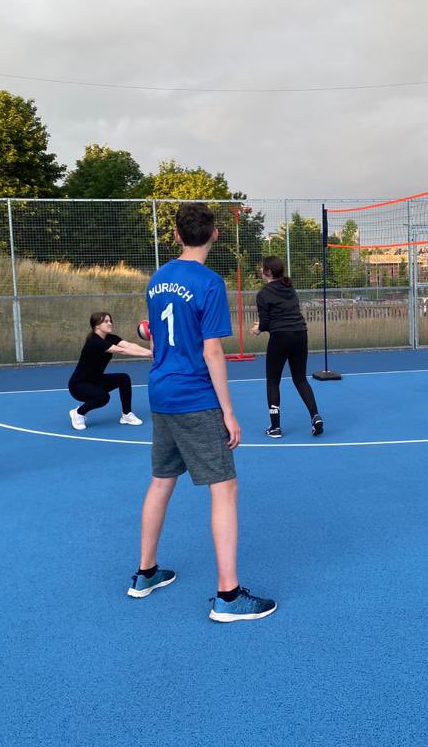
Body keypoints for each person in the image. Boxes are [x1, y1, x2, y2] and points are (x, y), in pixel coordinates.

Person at [128, 202, 276, 623]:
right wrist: (228, 412)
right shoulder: (210, 283)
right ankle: (228, 597)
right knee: (223, 488)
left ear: (176, 236)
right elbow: (212, 350)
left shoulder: (157, 280)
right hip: (195, 396)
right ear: (214, 234)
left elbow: (159, 335)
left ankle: (146, 572)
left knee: (161, 481)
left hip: (161, 392)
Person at [250, 255, 323, 439]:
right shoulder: (290, 288)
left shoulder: (263, 294)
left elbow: (266, 323)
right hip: (300, 334)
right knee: (300, 379)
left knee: (273, 381)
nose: (260, 270)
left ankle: (275, 428)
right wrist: (266, 324)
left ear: (267, 272)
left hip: (281, 337)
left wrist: (258, 328)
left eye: (262, 268)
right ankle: (315, 416)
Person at [68, 312, 152, 430]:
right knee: (103, 397)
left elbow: (128, 345)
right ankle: (78, 413)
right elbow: (122, 351)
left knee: (124, 378)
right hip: (79, 385)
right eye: (106, 321)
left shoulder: (110, 338)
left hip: (95, 380)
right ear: (97, 325)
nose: (110, 323)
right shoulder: (94, 341)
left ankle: (126, 414)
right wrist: (148, 354)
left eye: (110, 321)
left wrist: (150, 352)